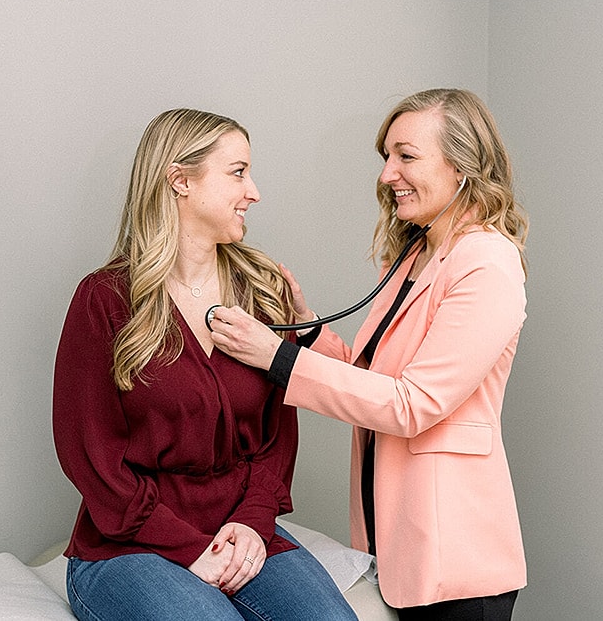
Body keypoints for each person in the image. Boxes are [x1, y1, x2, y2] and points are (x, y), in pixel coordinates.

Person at [209, 89, 529, 620]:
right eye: (386, 157)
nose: (387, 175)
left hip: (457, 561)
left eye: (406, 156)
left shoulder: (487, 263)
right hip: (401, 544)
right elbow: (372, 378)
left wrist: (277, 359)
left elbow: (412, 404)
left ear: (462, 167)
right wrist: (306, 328)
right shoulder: (413, 254)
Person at [52, 108, 357, 621]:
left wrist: (254, 522)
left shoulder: (262, 290)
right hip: (130, 543)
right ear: (180, 181)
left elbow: (278, 436)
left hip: (240, 526)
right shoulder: (105, 299)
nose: (253, 192)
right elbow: (89, 454)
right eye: (238, 172)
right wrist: (188, 548)